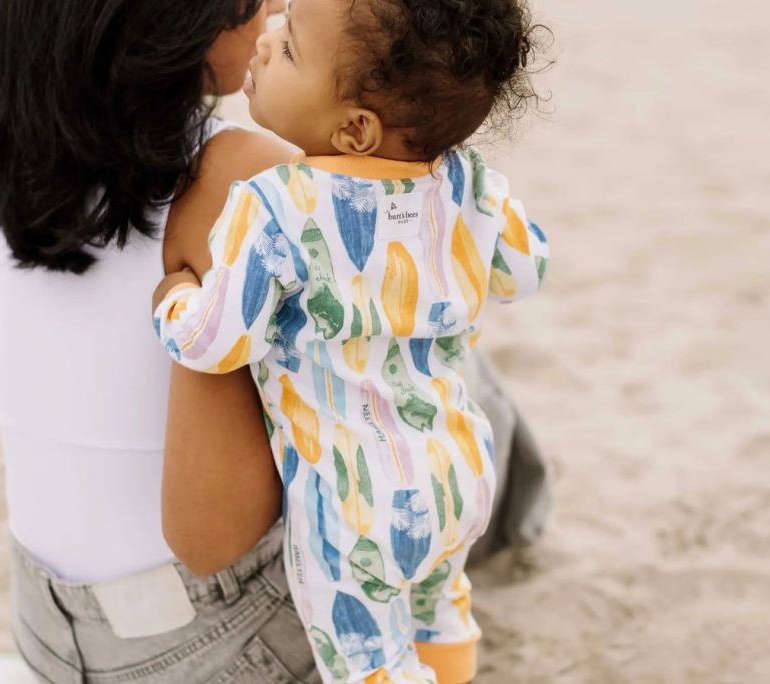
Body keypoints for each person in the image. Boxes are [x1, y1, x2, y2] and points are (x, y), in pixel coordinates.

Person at [0, 0, 550, 682]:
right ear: (175, 26)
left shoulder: (21, 137)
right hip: (192, 640)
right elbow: (212, 541)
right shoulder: (243, 174)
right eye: (253, 9)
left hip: (43, 624)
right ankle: (502, 544)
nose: (269, 16)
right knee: (422, 353)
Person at [150, 1, 547, 681]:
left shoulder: (275, 204)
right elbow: (526, 267)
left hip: (353, 507)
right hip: (459, 471)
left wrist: (175, 298)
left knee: (366, 665)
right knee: (441, 613)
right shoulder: (467, 182)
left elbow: (216, 344)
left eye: (293, 48)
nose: (268, 38)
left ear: (356, 129)